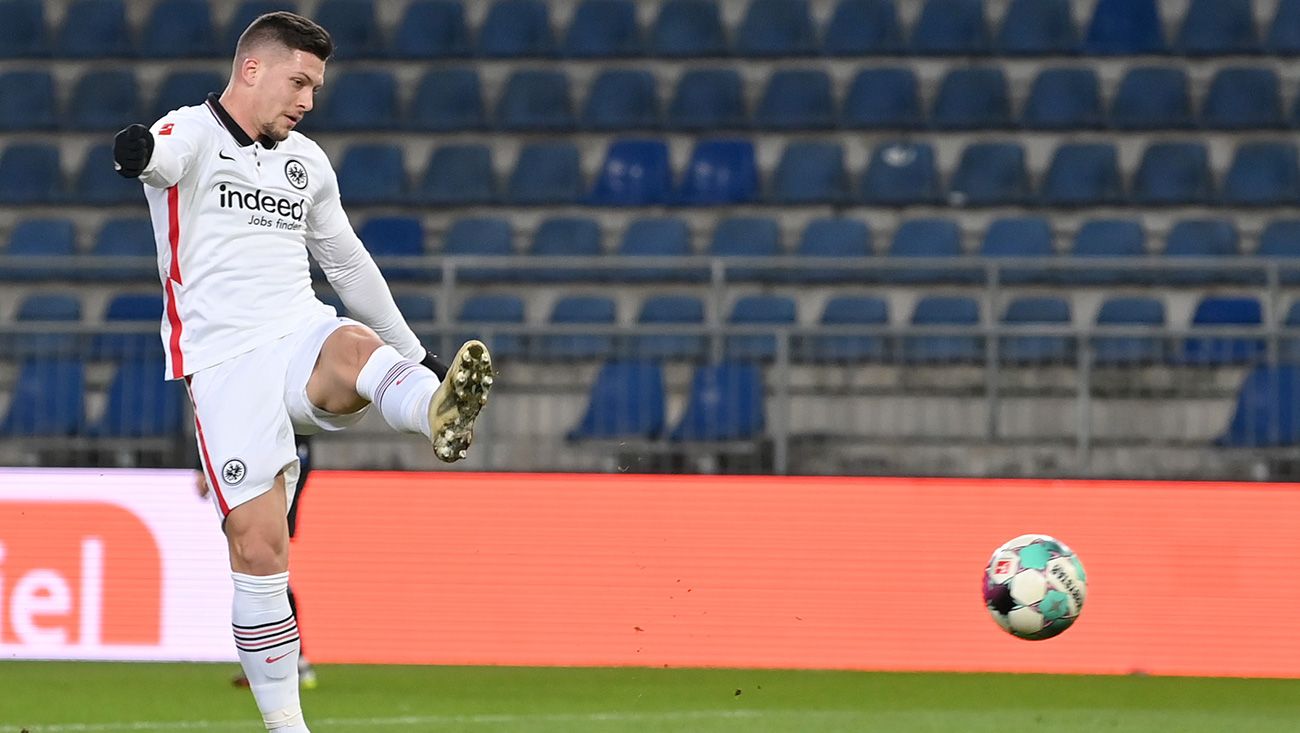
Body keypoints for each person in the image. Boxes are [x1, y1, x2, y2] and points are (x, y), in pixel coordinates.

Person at [112, 11, 493, 732]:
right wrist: (135, 154)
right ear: (252, 69)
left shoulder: (305, 162)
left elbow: (346, 262)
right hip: (223, 362)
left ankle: (432, 406)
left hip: (296, 328)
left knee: (350, 346)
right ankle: (288, 726)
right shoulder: (191, 132)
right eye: (301, 81)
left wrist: (415, 351)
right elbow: (158, 159)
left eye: (315, 87)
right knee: (260, 546)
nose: (308, 100)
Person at [197, 435, 318, 691]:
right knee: (263, 576)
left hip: (274, 478)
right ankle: (272, 659)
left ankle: (285, 659)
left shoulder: (284, 411)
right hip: (253, 475)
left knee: (268, 576)